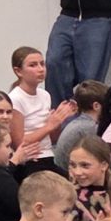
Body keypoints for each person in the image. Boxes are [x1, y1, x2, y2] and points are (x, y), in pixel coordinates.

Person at [7, 46, 75, 180]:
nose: (40, 69)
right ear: (18, 71)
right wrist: (49, 126)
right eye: (33, 65)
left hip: (48, 156)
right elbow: (19, 142)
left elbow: (52, 139)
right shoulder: (15, 98)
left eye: (42, 64)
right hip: (31, 160)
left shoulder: (45, 95)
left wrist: (58, 121)